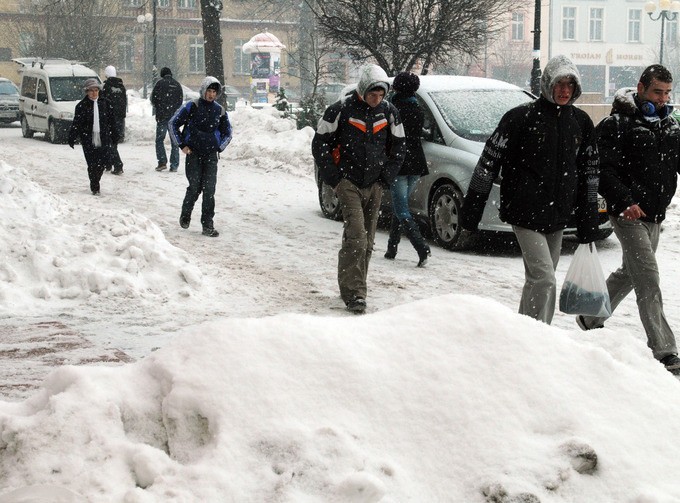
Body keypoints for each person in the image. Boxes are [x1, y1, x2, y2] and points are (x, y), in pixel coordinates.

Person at [460, 55, 600, 325]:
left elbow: (589, 175)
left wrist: (588, 220)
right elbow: (487, 165)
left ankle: (528, 333)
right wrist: (471, 212)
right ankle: (536, 337)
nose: (564, 90)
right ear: (547, 83)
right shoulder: (520, 118)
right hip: (524, 212)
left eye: (570, 85)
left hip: (557, 215)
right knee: (544, 278)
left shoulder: (581, 122)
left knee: (541, 279)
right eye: (559, 83)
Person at [576, 64, 680, 376]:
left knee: (630, 271)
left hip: (654, 214)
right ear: (641, 88)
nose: (661, 99)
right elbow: (605, 169)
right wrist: (625, 201)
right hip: (628, 213)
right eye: (656, 92)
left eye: (666, 93)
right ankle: (665, 351)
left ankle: (590, 316)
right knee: (648, 278)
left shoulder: (670, 126)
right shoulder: (617, 124)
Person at [312, 64, 406, 313]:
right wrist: (335, 179)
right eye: (372, 95)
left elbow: (399, 148)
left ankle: (355, 285)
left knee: (368, 241)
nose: (377, 100)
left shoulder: (389, 113)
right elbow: (319, 143)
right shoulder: (340, 110)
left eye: (381, 95)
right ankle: (355, 294)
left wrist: (385, 178)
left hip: (374, 183)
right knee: (356, 237)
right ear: (362, 91)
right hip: (348, 183)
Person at [169, 76, 233, 238]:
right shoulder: (192, 107)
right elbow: (173, 124)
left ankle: (207, 224)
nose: (211, 95)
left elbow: (228, 132)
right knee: (195, 187)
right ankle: (186, 213)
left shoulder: (220, 110)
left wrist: (219, 146)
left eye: (214, 92)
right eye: (209, 91)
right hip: (194, 154)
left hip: (211, 155)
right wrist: (182, 145)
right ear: (203, 90)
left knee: (209, 190)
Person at [384, 71, 430, 267]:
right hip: (417, 162)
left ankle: (422, 248)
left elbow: (388, 137)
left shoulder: (392, 109)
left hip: (399, 163)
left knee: (401, 209)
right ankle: (391, 248)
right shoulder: (418, 108)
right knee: (399, 206)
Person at [68, 78, 119, 195]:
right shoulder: (81, 106)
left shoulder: (105, 103)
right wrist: (72, 137)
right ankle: (95, 186)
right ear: (87, 92)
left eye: (96, 90)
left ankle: (96, 179)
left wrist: (115, 135)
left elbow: (112, 122)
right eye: (91, 91)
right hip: (88, 139)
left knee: (101, 164)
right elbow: (77, 123)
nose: (94, 93)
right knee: (92, 164)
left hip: (103, 138)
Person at [151, 67, 184, 172]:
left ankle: (162, 162)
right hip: (174, 117)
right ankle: (174, 165)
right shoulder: (177, 85)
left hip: (162, 116)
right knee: (174, 140)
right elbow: (180, 101)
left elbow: (153, 99)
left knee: (160, 139)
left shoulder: (159, 84)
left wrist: (159, 108)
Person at [99, 65, 127, 175]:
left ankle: (117, 164)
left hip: (109, 118)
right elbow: (124, 102)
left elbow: (102, 102)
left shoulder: (105, 87)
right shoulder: (121, 87)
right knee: (113, 141)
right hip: (120, 117)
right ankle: (109, 163)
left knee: (108, 141)